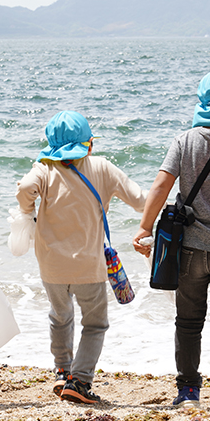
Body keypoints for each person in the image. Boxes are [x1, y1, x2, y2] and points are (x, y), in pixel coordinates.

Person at [133, 68, 210, 410]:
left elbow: (161, 185)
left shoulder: (184, 141)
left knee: (188, 322)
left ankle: (187, 390)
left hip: (187, 249)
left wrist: (144, 228)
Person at [16, 111, 147, 404]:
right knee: (95, 324)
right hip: (89, 265)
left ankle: (63, 371)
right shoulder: (102, 167)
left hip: (51, 265)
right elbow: (140, 201)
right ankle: (80, 380)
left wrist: (27, 212)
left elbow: (25, 189)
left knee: (60, 316)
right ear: (88, 143)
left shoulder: (44, 168)